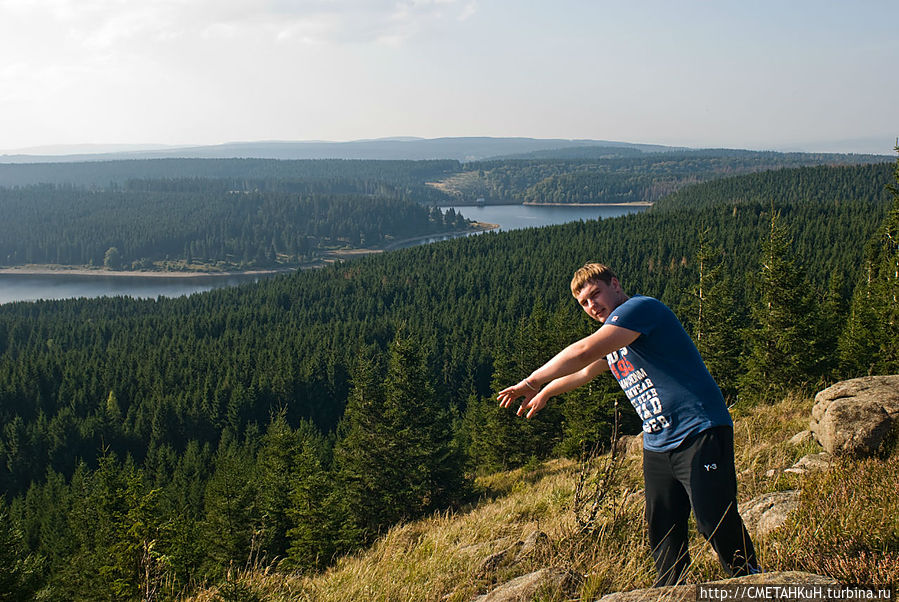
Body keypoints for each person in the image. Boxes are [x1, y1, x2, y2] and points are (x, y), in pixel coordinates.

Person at [497, 262, 758, 586]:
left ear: (615, 285)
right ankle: (671, 592)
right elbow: (584, 371)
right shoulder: (617, 338)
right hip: (659, 444)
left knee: (712, 518)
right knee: (663, 529)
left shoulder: (639, 309)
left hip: (699, 431)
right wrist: (547, 392)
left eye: (596, 294)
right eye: (584, 302)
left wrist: (532, 381)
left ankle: (750, 580)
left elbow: (582, 351)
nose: (592, 306)